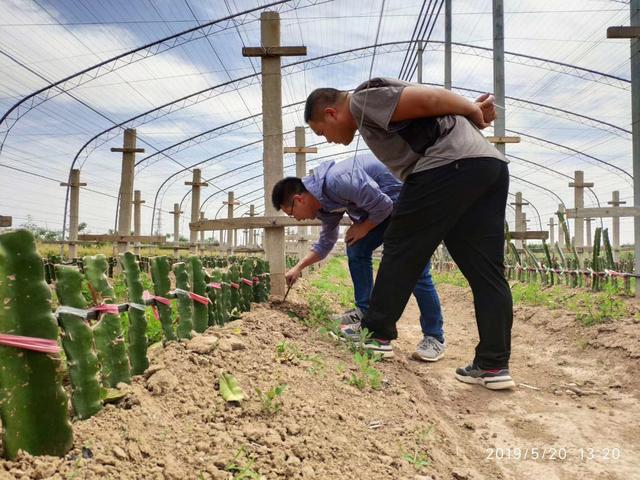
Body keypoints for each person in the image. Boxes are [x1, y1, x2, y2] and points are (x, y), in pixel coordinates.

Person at [303, 78, 515, 390]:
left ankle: (376, 333)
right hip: (488, 166)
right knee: (486, 271)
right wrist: (471, 117)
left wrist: (472, 109)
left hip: (446, 166)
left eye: (322, 132)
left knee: (402, 247)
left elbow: (429, 99)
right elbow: (431, 114)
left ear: (332, 113)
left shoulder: (360, 101)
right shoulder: (372, 112)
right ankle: (493, 364)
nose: (329, 140)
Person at [271, 154, 445, 361]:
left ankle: (434, 337)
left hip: (409, 202)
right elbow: (326, 243)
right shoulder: (324, 207)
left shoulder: (338, 179)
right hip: (386, 210)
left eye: (291, 213)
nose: (296, 219)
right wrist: (298, 267)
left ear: (298, 199)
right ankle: (365, 312)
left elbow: (383, 204)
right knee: (356, 248)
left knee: (416, 270)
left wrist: (364, 226)